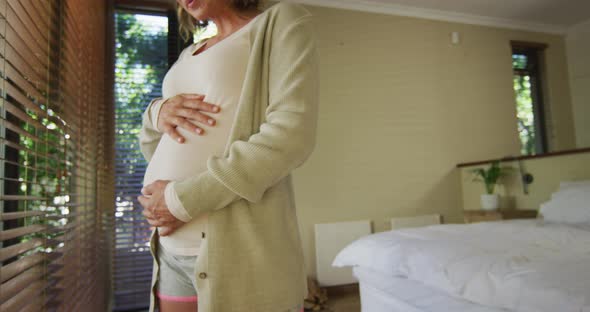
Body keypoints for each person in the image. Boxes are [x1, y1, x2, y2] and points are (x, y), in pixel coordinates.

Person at [137, 0, 319, 311]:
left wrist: (180, 200)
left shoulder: (280, 21)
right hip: (169, 247)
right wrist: (156, 112)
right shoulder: (188, 54)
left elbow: (292, 136)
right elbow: (159, 140)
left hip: (239, 249)